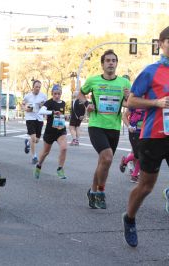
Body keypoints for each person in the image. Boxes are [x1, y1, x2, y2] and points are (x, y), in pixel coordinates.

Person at [122, 26, 169, 247]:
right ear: (161, 44)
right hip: (154, 135)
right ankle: (129, 218)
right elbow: (131, 101)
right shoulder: (151, 71)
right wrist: (156, 103)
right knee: (147, 186)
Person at [78, 49, 130, 209]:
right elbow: (80, 94)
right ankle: (101, 191)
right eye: (107, 60)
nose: (110, 63)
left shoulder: (124, 83)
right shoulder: (93, 81)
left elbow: (129, 103)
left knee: (103, 162)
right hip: (96, 126)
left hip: (113, 127)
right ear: (102, 64)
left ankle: (92, 191)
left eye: (113, 60)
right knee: (107, 158)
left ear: (116, 64)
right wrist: (87, 104)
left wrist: (129, 97)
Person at [33, 85, 68, 179]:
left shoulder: (63, 103)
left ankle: (60, 169)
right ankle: (39, 165)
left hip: (61, 130)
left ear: (61, 94)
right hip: (50, 132)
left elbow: (61, 115)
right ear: (52, 94)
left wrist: (65, 116)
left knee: (64, 148)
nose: (57, 95)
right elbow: (41, 111)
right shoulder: (49, 102)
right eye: (55, 94)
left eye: (59, 93)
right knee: (45, 152)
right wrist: (52, 112)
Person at [22, 80, 47, 164]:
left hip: (39, 119)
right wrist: (26, 108)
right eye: (36, 87)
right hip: (30, 118)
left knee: (36, 140)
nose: (38, 88)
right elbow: (22, 104)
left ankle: (27, 142)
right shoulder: (27, 96)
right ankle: (34, 157)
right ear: (33, 87)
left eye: (39, 87)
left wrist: (42, 106)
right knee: (33, 138)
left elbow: (46, 106)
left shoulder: (43, 96)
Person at [119, 108, 145, 183]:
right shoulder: (134, 104)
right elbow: (124, 116)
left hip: (145, 133)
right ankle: (126, 161)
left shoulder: (150, 103)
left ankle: (134, 175)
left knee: (142, 154)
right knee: (138, 154)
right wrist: (129, 126)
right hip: (134, 132)